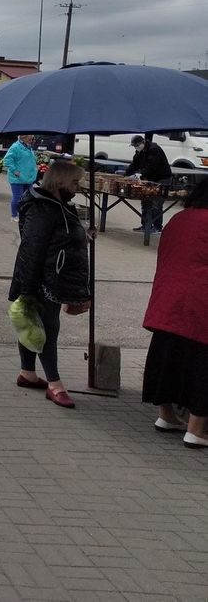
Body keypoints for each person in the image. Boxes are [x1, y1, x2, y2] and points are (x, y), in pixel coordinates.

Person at [8, 161, 91, 409]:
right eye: (74, 182)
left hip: (53, 276)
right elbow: (32, 249)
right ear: (59, 182)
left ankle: (27, 373)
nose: (78, 187)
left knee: (33, 325)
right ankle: (55, 384)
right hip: (43, 279)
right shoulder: (42, 208)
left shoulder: (58, 205)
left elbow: (61, 235)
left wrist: (83, 234)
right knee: (46, 329)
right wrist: (29, 291)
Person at [140, 178, 208, 447]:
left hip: (168, 299)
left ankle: (166, 415)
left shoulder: (179, 219)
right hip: (200, 303)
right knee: (202, 364)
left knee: (167, 357)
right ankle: (196, 429)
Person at [125, 134, 172, 235]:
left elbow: (152, 167)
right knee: (145, 201)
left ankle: (157, 227)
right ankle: (146, 225)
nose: (136, 148)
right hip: (149, 179)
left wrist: (140, 174)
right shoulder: (139, 152)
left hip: (161, 178)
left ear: (142, 142)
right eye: (134, 146)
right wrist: (126, 174)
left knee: (156, 203)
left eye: (136, 145)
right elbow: (134, 164)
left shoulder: (154, 149)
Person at [2, 134, 38, 223]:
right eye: (30, 139)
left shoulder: (29, 147)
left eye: (32, 139)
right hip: (17, 178)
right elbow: (7, 160)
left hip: (28, 177)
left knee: (28, 197)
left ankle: (24, 214)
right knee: (17, 197)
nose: (32, 141)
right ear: (23, 138)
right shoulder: (15, 147)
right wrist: (14, 170)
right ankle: (14, 215)